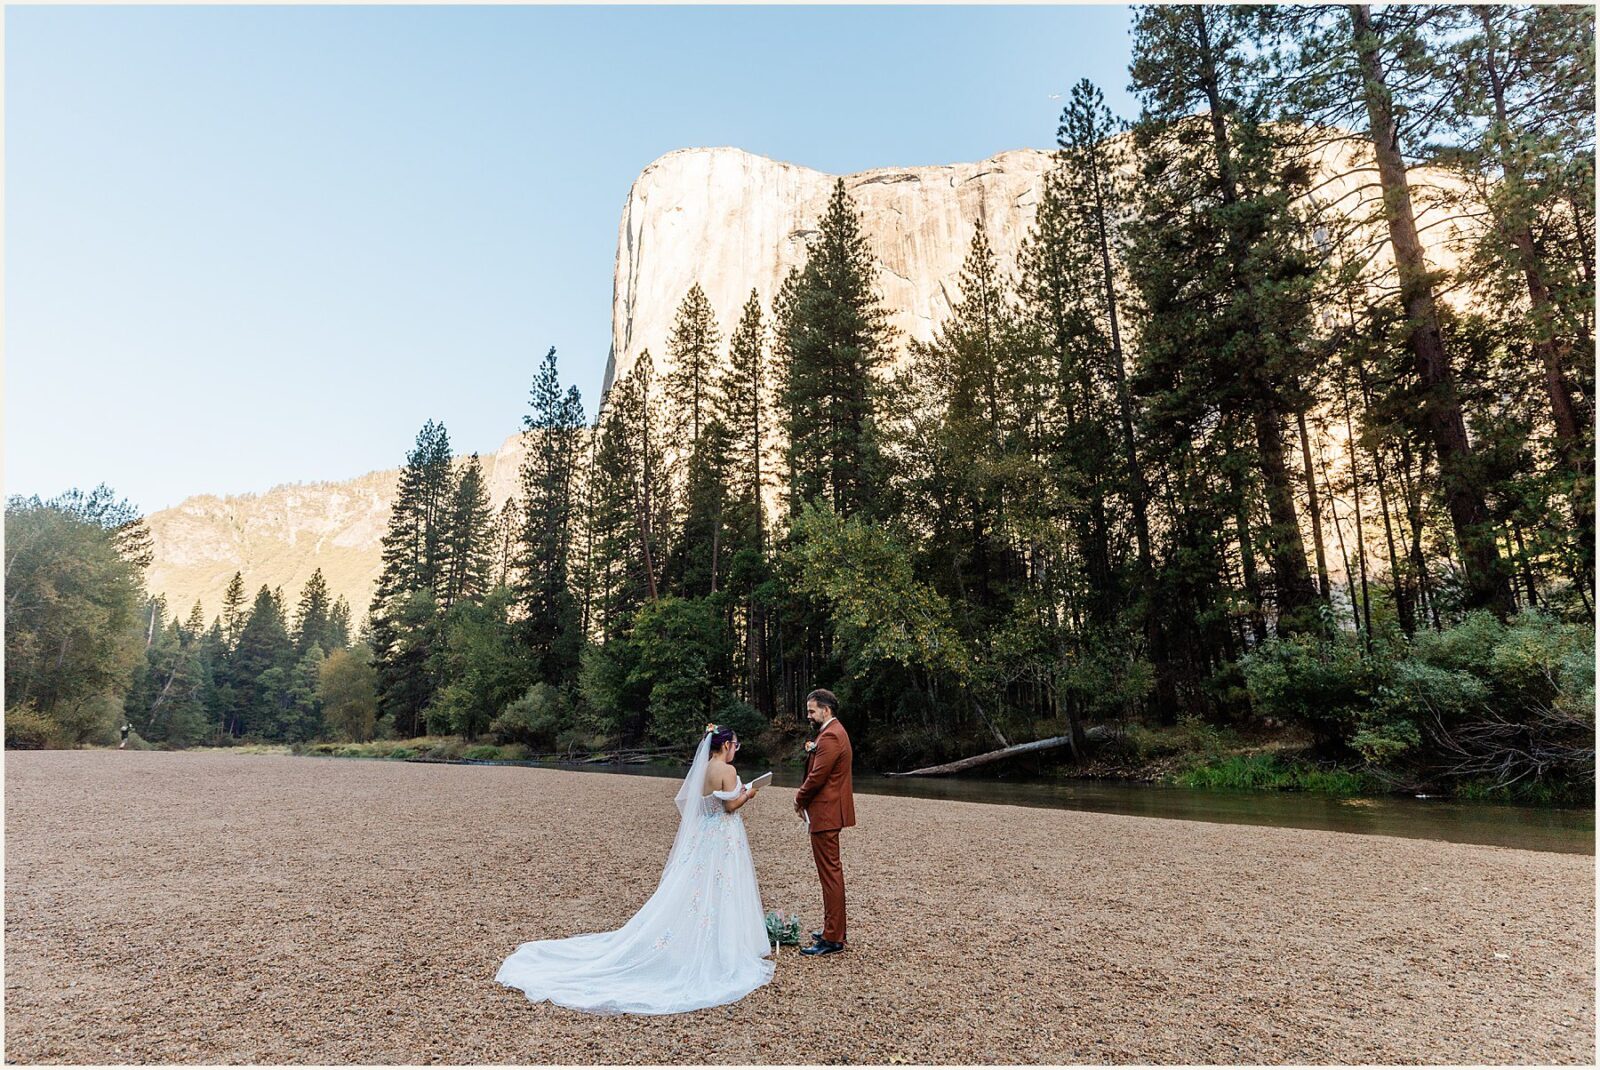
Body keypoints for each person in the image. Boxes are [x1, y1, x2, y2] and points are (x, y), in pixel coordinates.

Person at [495, 724, 775, 1015]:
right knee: (722, 885)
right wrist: (749, 793)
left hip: (704, 835)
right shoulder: (727, 770)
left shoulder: (703, 769)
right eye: (735, 745)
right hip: (722, 837)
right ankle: (721, 946)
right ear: (726, 745)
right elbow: (730, 807)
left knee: (696, 885)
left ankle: (699, 939)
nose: (736, 750)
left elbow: (707, 803)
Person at [793, 688, 855, 957]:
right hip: (828, 812)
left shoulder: (830, 735)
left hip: (826, 812)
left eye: (812, 711)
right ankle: (834, 929)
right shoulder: (833, 732)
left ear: (826, 710)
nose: (808, 715)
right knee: (831, 873)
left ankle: (833, 938)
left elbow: (818, 776)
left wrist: (799, 799)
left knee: (830, 875)